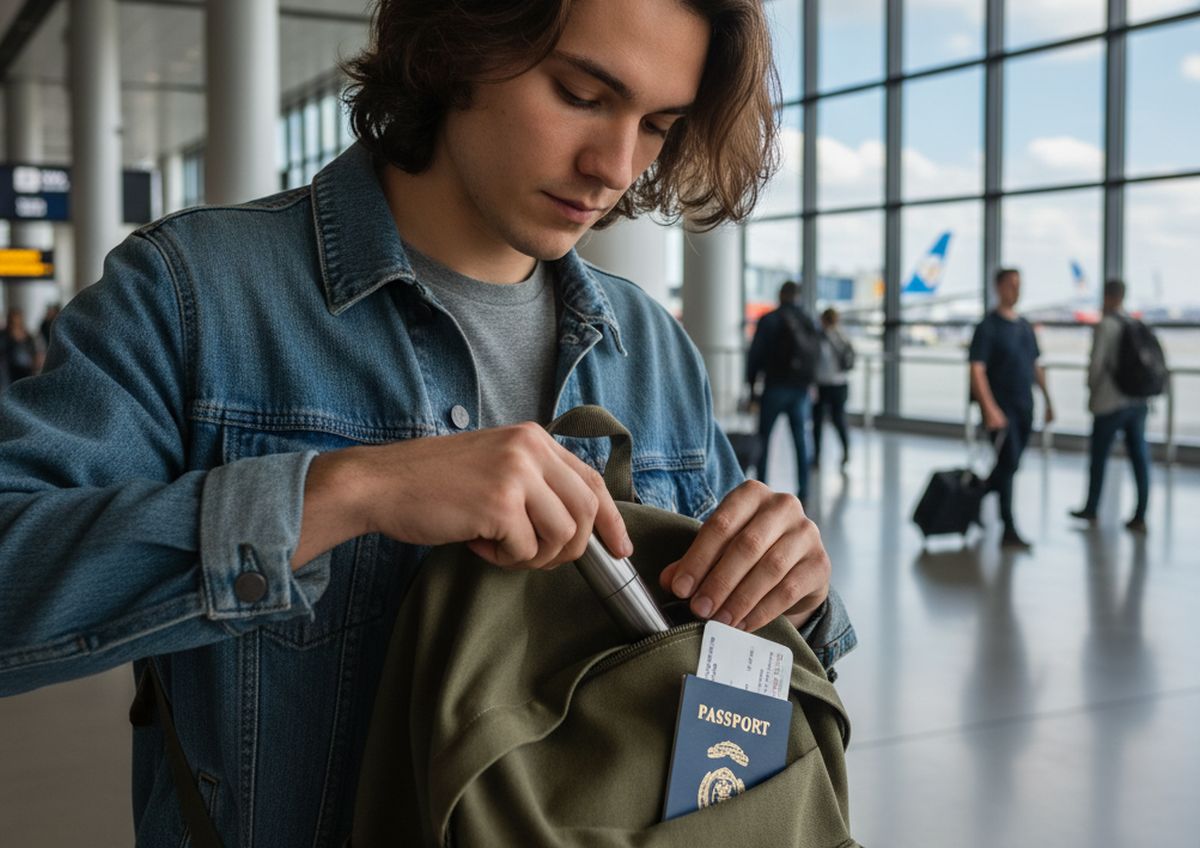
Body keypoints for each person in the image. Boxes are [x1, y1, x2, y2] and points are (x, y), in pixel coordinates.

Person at [0, 2, 856, 845]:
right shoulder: (193, 295)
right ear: (455, 45)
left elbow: (727, 656)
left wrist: (795, 589)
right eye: (581, 95)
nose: (615, 166)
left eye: (659, 126)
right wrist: (351, 492)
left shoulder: (653, 352)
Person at [968, 268, 1055, 549]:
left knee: (1011, 466)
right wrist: (989, 409)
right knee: (1007, 464)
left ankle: (978, 494)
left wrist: (1048, 400)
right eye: (1010, 285)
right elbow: (977, 370)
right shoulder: (988, 327)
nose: (1016, 291)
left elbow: (1035, 366)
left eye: (1019, 285)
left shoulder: (1025, 326)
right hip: (1000, 411)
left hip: (1023, 408)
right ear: (998, 287)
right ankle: (1008, 526)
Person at [1070, 279, 1151, 532]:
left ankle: (1092, 507)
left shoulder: (1105, 325)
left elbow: (1096, 365)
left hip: (1110, 402)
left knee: (1099, 457)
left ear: (1107, 297)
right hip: (1136, 402)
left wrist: (1092, 390)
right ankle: (1140, 513)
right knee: (1139, 457)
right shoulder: (1134, 322)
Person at [746, 280, 821, 501]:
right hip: (800, 390)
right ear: (798, 295)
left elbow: (755, 356)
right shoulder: (809, 321)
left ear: (780, 295)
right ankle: (804, 491)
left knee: (764, 439)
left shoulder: (769, 320)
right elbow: (816, 355)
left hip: (774, 388)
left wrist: (751, 387)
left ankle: (760, 490)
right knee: (800, 439)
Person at [813, 307, 852, 469]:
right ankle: (817, 456)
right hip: (828, 384)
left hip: (833, 384)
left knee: (836, 419)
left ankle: (844, 452)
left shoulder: (832, 337)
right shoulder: (841, 336)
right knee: (820, 421)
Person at [2, 308, 40, 386]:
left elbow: (35, 351)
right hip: (8, 372)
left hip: (27, 371)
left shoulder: (28, 336)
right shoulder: (3, 335)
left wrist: (36, 360)